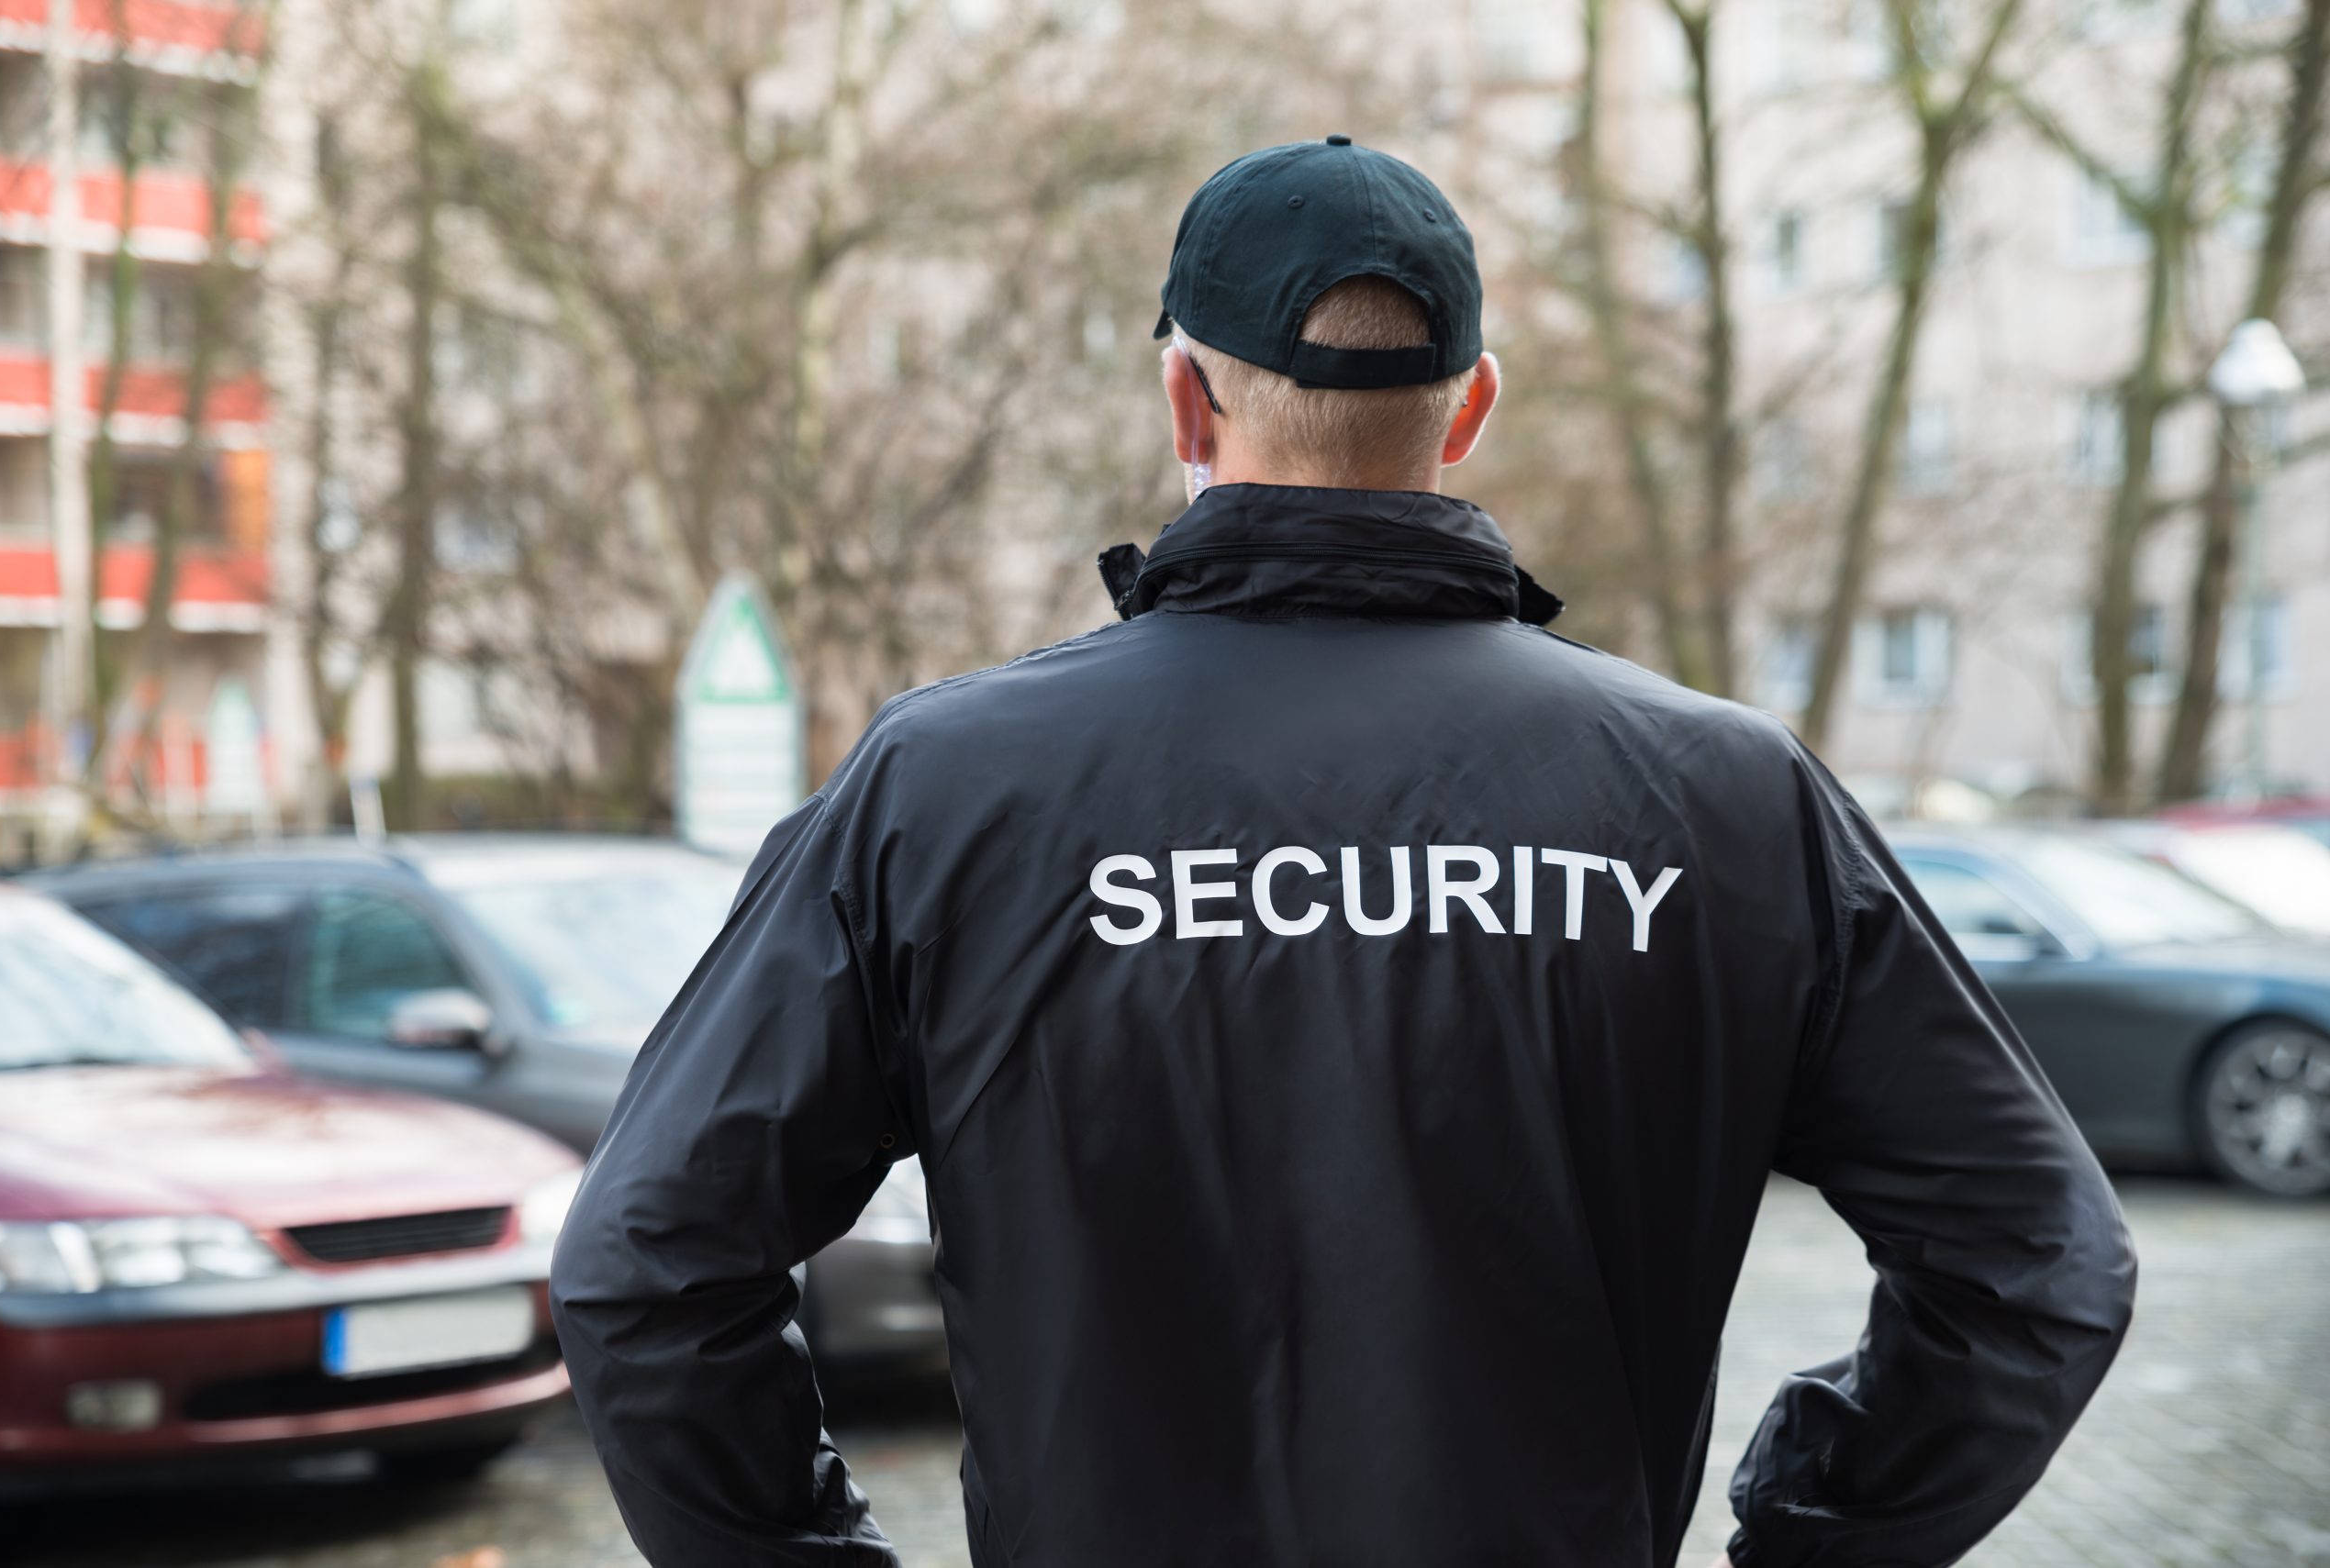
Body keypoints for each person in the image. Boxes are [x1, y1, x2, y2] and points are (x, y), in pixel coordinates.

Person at [552, 136, 2136, 1568]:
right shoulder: (1719, 793)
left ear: (1184, 398)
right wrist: (1815, 1530)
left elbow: (648, 1264)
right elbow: (2038, 1261)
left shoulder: (947, 786)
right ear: (1471, 404)